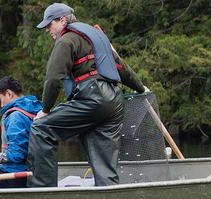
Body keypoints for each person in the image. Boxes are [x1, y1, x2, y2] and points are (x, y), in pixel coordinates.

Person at [28, 3, 148, 187]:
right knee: (103, 161)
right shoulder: (98, 37)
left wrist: (45, 110)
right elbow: (121, 68)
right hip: (114, 102)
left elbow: (53, 79)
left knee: (41, 129)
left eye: (49, 25)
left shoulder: (66, 40)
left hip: (93, 98)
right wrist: (141, 88)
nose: (47, 30)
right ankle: (109, 191)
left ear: (62, 20)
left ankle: (42, 190)